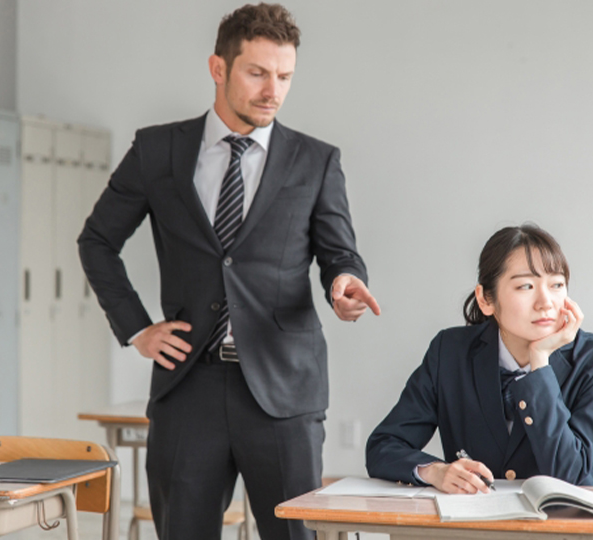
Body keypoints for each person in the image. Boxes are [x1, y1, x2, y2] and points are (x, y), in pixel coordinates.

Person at [78, 4, 380, 539]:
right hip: (189, 386)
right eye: (257, 73)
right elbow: (98, 241)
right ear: (218, 68)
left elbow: (339, 254)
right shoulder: (157, 150)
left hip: (284, 392)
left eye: (284, 76)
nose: (273, 90)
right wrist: (137, 329)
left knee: (294, 535)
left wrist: (343, 284)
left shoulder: (316, 161)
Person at [365, 224, 593, 493]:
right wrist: (434, 471)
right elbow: (383, 446)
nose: (545, 302)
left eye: (556, 285)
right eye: (526, 286)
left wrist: (539, 363)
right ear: (486, 299)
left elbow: (569, 474)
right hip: (474, 527)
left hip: (563, 528)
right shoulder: (449, 352)